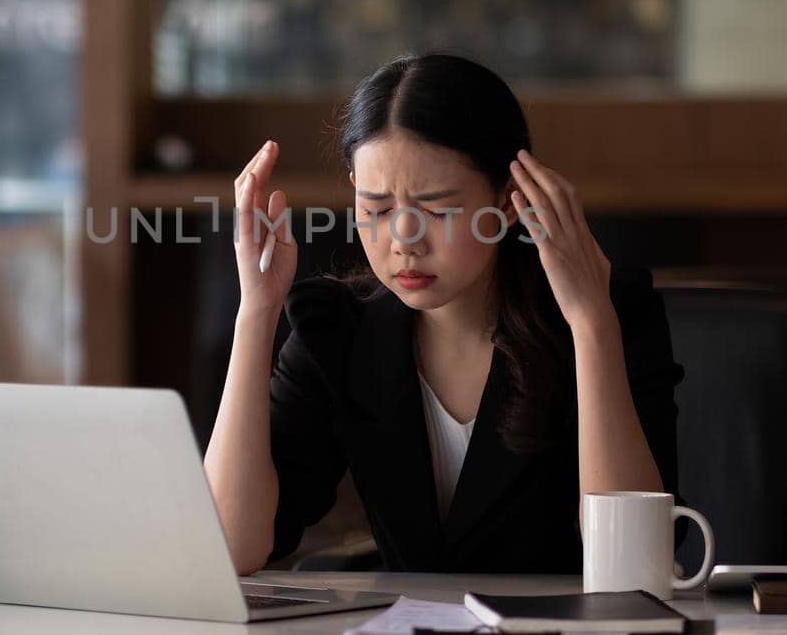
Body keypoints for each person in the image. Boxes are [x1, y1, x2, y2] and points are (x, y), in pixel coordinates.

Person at [203, 53, 685, 575]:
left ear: (507, 201)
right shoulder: (337, 328)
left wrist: (591, 323)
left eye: (438, 209)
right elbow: (230, 548)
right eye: (378, 209)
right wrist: (256, 309)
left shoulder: (606, 314)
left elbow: (632, 566)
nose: (404, 240)